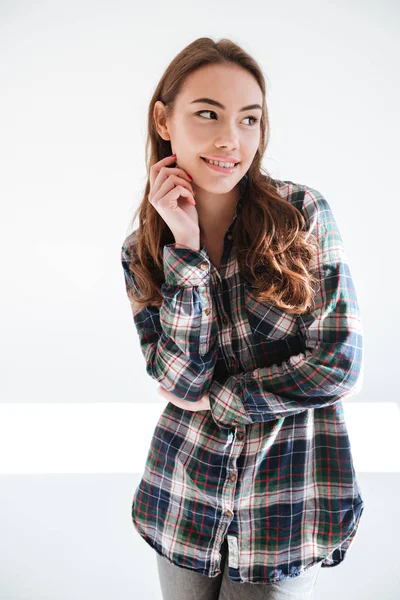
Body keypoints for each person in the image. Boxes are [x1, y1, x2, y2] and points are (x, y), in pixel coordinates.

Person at [121, 36, 365, 599]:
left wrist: (220, 400)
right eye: (208, 114)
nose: (231, 139)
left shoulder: (303, 215)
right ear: (163, 119)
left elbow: (339, 366)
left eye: (249, 119)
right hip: (182, 498)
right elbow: (179, 381)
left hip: (285, 506)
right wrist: (184, 249)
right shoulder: (143, 250)